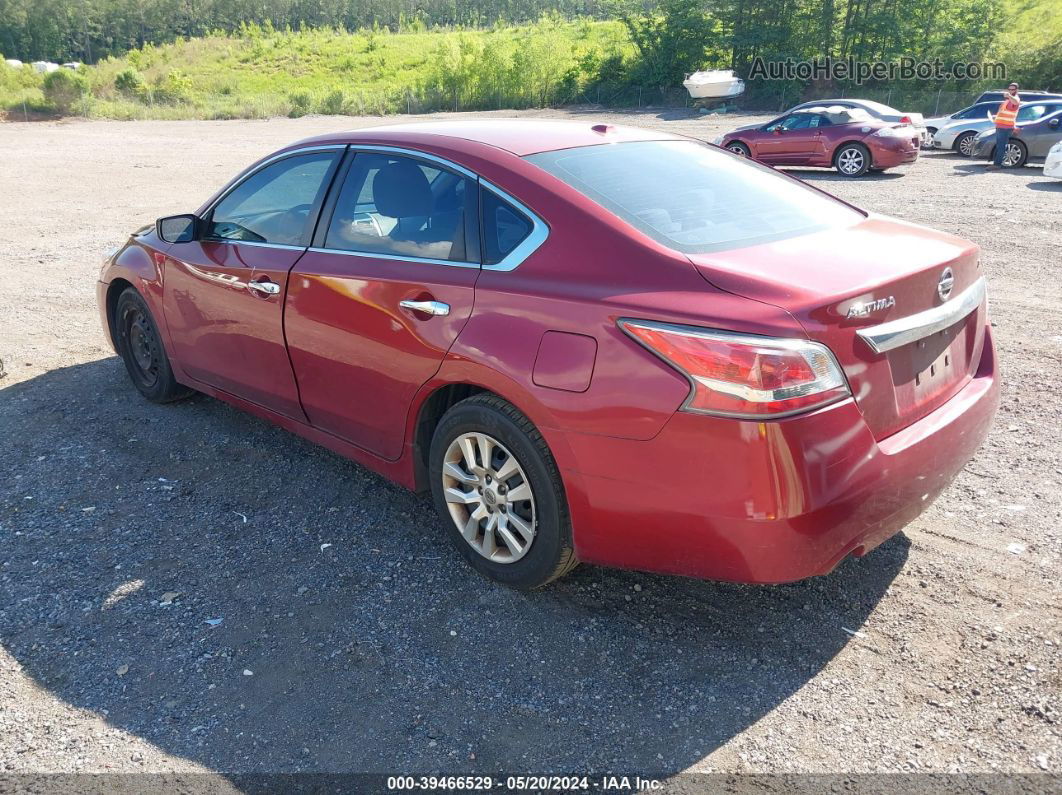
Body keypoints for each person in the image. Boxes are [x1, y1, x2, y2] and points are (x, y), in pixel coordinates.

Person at [986, 82, 1020, 170]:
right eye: (1009, 89)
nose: (1011, 91)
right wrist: (995, 117)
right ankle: (996, 163)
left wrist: (1009, 95)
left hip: (1006, 128)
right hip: (1001, 126)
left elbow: (1016, 102)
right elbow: (1004, 113)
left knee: (1001, 146)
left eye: (1013, 89)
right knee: (999, 145)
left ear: (1016, 90)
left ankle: (997, 165)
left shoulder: (1015, 98)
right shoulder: (1007, 101)